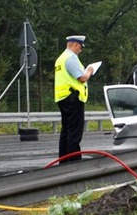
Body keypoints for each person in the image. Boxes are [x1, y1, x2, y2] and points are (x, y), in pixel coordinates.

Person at [54, 35, 94, 163]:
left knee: (66, 131)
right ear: (76, 45)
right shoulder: (71, 58)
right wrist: (90, 70)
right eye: (81, 47)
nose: (81, 50)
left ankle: (64, 160)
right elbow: (82, 77)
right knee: (74, 133)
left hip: (63, 97)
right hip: (73, 98)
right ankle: (74, 162)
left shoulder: (61, 58)